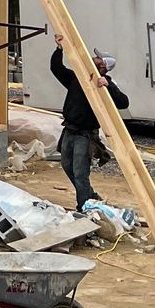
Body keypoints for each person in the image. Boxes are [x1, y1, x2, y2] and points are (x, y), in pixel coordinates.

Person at [49, 31, 129, 211]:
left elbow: (124, 102)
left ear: (103, 67)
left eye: (98, 59)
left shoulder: (104, 84)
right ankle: (90, 195)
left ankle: (84, 207)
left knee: (80, 172)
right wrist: (59, 48)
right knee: (67, 166)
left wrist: (108, 87)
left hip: (85, 135)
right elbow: (56, 68)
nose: (93, 58)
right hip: (69, 130)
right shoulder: (78, 78)